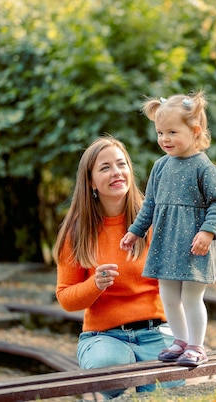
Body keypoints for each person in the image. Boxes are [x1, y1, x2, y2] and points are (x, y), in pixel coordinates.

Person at [54, 135, 181, 400]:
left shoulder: (154, 220)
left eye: (121, 164)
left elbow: (175, 282)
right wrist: (94, 285)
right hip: (105, 338)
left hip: (156, 331)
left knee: (168, 393)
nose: (117, 172)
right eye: (105, 167)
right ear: (90, 181)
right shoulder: (77, 232)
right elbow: (65, 297)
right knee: (107, 367)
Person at [120, 91, 216, 367]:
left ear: (195, 131)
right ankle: (179, 341)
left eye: (172, 132)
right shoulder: (160, 166)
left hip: (194, 243)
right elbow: (150, 204)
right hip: (166, 241)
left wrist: (207, 231)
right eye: (159, 132)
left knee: (191, 296)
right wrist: (135, 231)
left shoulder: (205, 168)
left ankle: (196, 346)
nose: (164, 139)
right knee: (167, 294)